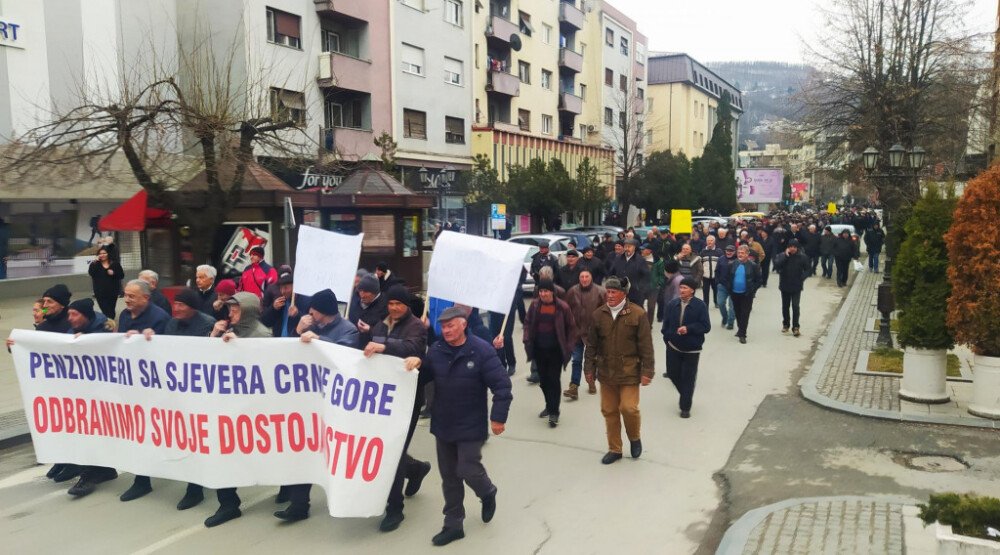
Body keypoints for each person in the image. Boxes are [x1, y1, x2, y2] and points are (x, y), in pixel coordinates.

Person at [401, 306, 512, 547]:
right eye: (443, 326)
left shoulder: (481, 351)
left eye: (451, 325)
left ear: (463, 324)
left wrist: (498, 417)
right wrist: (416, 363)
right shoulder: (437, 350)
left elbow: (502, 385)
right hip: (443, 423)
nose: (447, 330)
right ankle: (453, 524)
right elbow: (423, 376)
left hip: (471, 424)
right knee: (449, 476)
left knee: (467, 468)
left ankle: (487, 491)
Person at [275, 289, 359, 522]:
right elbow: (288, 354)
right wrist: (297, 331)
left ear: (322, 311)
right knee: (304, 449)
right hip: (309, 401)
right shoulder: (310, 326)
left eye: (313, 309)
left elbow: (346, 356)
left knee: (343, 452)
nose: (309, 312)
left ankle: (411, 468)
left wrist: (319, 340)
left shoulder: (347, 329)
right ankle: (299, 505)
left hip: (336, 404)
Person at [133, 288, 216, 511]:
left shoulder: (206, 323)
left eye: (182, 305)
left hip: (197, 394)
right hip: (171, 392)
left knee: (195, 440)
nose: (176, 308)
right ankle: (142, 480)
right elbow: (164, 352)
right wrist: (147, 339)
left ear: (193, 307)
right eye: (175, 304)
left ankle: (195, 488)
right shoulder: (171, 324)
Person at [361, 285, 433, 533]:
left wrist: (384, 348)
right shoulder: (380, 325)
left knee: (394, 450)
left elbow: (413, 349)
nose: (393, 308)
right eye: (390, 303)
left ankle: (395, 509)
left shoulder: (417, 327)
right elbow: (369, 348)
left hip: (408, 400)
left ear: (407, 306)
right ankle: (417, 469)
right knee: (386, 448)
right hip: (383, 399)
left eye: (398, 304)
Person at [583, 276, 655, 465]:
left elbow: (646, 346)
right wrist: (588, 368)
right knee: (609, 410)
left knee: (628, 408)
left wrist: (648, 371)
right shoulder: (598, 315)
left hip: (629, 371)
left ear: (624, 294)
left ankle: (634, 437)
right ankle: (615, 449)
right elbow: (591, 345)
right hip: (606, 372)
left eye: (614, 292)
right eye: (608, 292)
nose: (610, 295)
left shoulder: (638, 314)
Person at [59, 298, 118, 494]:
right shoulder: (75, 329)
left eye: (74, 314)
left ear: (86, 315)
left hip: (102, 393)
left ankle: (91, 473)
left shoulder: (104, 330)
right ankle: (98, 469)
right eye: (69, 314)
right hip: (84, 393)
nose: (70, 318)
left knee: (95, 432)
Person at [523, 280, 577, 428]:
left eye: (546, 291)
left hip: (556, 351)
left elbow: (572, 329)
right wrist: (526, 338)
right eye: (541, 291)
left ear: (552, 292)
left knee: (553, 380)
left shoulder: (562, 307)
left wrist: (569, 347)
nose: (543, 294)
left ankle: (554, 412)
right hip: (539, 350)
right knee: (544, 381)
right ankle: (548, 405)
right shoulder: (534, 306)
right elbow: (527, 323)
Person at [661, 278, 712, 418]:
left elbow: (706, 326)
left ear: (692, 290)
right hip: (673, 346)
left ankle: (685, 406)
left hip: (692, 349)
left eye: (685, 288)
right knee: (672, 373)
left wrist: (688, 329)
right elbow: (666, 325)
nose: (681, 290)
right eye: (681, 287)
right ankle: (686, 393)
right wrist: (668, 338)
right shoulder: (673, 304)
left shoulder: (700, 306)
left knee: (688, 378)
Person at [563, 269, 605, 399]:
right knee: (576, 360)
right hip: (576, 332)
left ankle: (591, 381)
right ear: (579, 278)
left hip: (593, 333)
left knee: (592, 360)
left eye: (587, 276)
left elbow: (607, 311)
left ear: (591, 278)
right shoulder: (572, 291)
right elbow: (565, 309)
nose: (584, 279)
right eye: (582, 277)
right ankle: (574, 387)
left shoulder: (600, 291)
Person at [772, 239, 811, 337]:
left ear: (797, 247)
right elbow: (776, 265)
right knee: (785, 306)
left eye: (794, 247)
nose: (792, 248)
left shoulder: (802, 257)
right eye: (790, 246)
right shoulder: (782, 255)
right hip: (785, 285)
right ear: (788, 247)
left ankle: (796, 327)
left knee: (795, 306)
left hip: (796, 285)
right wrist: (785, 256)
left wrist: (802, 278)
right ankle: (786, 324)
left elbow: (808, 269)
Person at [725, 246, 762, 344]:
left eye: (742, 253)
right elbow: (727, 278)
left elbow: (759, 281)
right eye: (739, 252)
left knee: (745, 314)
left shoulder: (753, 266)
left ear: (747, 254)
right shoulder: (731, 264)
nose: (740, 254)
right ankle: (740, 329)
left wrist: (752, 290)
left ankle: (742, 334)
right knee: (738, 313)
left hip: (747, 294)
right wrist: (729, 289)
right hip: (734, 293)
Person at [260, 271, 307, 337]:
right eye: (280, 288)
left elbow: (310, 322)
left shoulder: (304, 301)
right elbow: (266, 322)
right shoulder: (280, 302)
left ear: (295, 287)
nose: (282, 291)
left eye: (285, 288)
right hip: (280, 340)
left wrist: (297, 314)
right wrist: (273, 308)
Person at [349, 274, 389, 345]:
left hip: (371, 348)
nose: (362, 295)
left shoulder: (386, 307)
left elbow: (387, 335)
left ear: (375, 292)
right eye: (360, 290)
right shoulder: (355, 297)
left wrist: (370, 330)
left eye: (366, 292)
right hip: (351, 343)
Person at [610, 239, 649, 307]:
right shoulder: (618, 258)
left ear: (634, 248)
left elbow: (646, 276)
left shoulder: (640, 260)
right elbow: (612, 273)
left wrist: (641, 290)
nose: (627, 249)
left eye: (629, 246)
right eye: (626, 246)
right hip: (620, 292)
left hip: (635, 294)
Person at [88, 246, 124, 319]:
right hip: (100, 292)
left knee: (111, 309)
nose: (102, 255)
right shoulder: (95, 264)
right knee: (105, 309)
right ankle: (109, 323)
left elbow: (121, 275)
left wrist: (113, 273)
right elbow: (91, 273)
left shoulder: (115, 264)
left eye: (104, 253)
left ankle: (110, 323)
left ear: (108, 254)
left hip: (113, 291)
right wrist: (95, 262)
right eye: (100, 254)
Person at [714, 245, 737, 330]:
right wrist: (717, 282)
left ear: (734, 252)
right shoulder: (721, 259)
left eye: (731, 251)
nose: (729, 252)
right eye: (727, 250)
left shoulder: (737, 260)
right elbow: (717, 271)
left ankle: (731, 322)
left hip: (734, 287)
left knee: (732, 306)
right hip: (722, 286)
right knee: (720, 303)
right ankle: (725, 317)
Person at [699, 235, 724, 305]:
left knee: (716, 290)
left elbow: (722, 264)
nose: (709, 242)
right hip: (705, 276)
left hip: (715, 276)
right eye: (708, 240)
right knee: (705, 291)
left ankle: (716, 302)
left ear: (714, 241)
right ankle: (705, 304)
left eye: (711, 240)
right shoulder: (703, 252)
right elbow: (700, 264)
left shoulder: (719, 252)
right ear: (706, 242)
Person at [644, 244, 664, 326]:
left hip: (653, 288)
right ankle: (643, 321)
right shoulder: (640, 260)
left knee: (651, 307)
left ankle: (649, 325)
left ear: (649, 251)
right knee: (638, 305)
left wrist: (659, 284)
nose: (642, 251)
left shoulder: (658, 261)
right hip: (642, 288)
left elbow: (662, 275)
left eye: (644, 249)